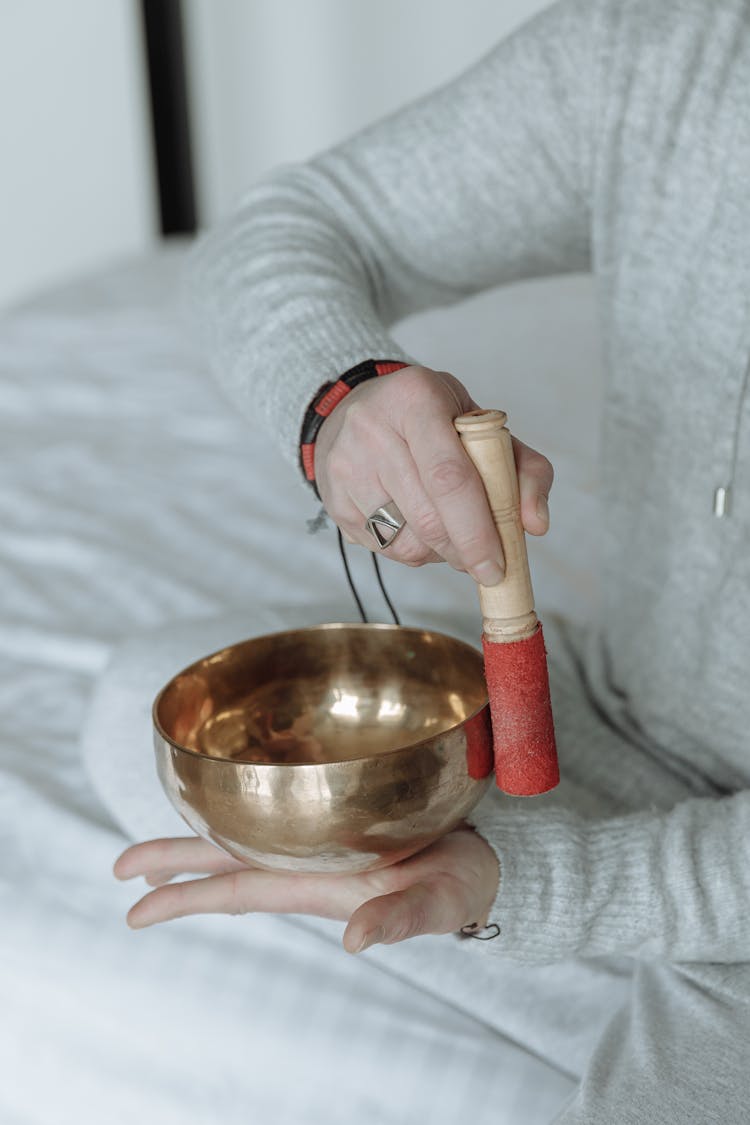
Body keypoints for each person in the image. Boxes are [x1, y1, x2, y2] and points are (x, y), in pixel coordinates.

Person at [114, 0, 750, 1120]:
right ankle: (663, 929)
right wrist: (339, 399)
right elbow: (290, 230)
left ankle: (652, 933)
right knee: (142, 711)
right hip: (639, 721)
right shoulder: (668, 45)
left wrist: (542, 889)